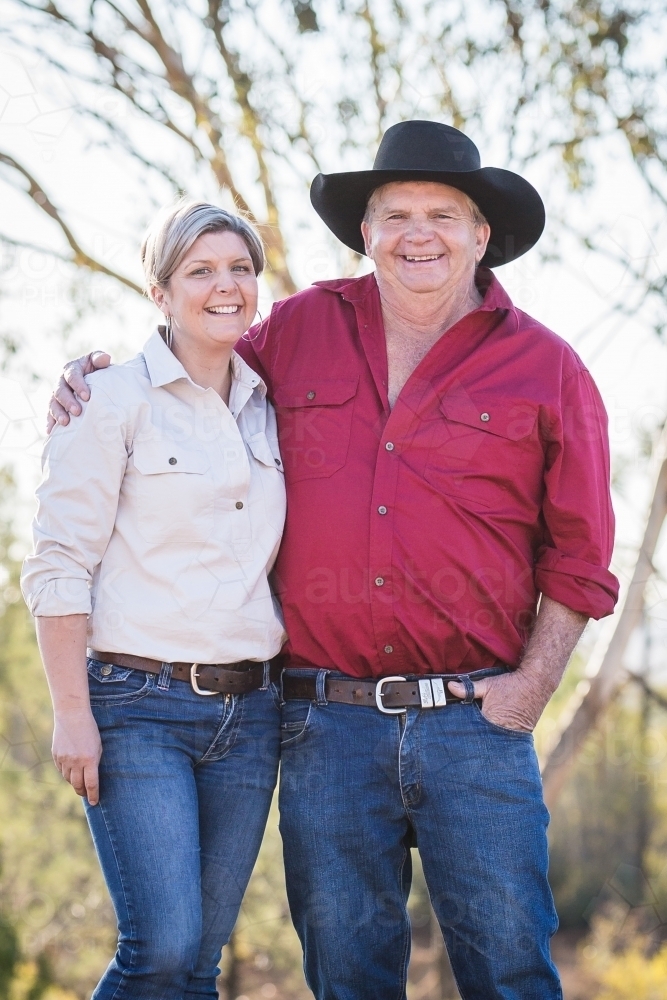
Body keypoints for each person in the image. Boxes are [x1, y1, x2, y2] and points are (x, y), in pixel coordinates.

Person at [49, 121, 619, 1000]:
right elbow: (189, 373)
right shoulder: (298, 330)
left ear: (480, 234)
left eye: (441, 214)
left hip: (476, 722)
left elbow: (580, 557)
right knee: (346, 978)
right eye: (394, 214)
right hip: (323, 725)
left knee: (508, 971)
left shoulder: (546, 369)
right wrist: (91, 379)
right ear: (365, 231)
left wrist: (531, 688)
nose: (416, 233)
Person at [23, 200, 287, 1000]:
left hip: (251, 716)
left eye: (240, 268)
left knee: (201, 962)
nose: (225, 286)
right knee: (160, 949)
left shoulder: (273, 402)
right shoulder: (109, 400)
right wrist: (73, 713)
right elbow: (59, 563)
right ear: (159, 291)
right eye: (200, 270)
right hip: (138, 708)